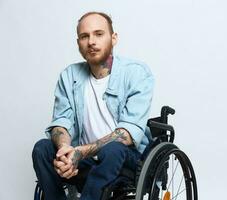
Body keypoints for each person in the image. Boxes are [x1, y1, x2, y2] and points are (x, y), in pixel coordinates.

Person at [32, 11, 154, 200]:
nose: (91, 42)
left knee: (112, 149)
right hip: (86, 160)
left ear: (113, 38)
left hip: (125, 160)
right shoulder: (69, 76)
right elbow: (61, 121)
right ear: (78, 42)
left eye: (99, 34)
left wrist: (80, 152)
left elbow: (128, 134)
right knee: (42, 148)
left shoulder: (137, 74)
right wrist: (66, 150)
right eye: (84, 36)